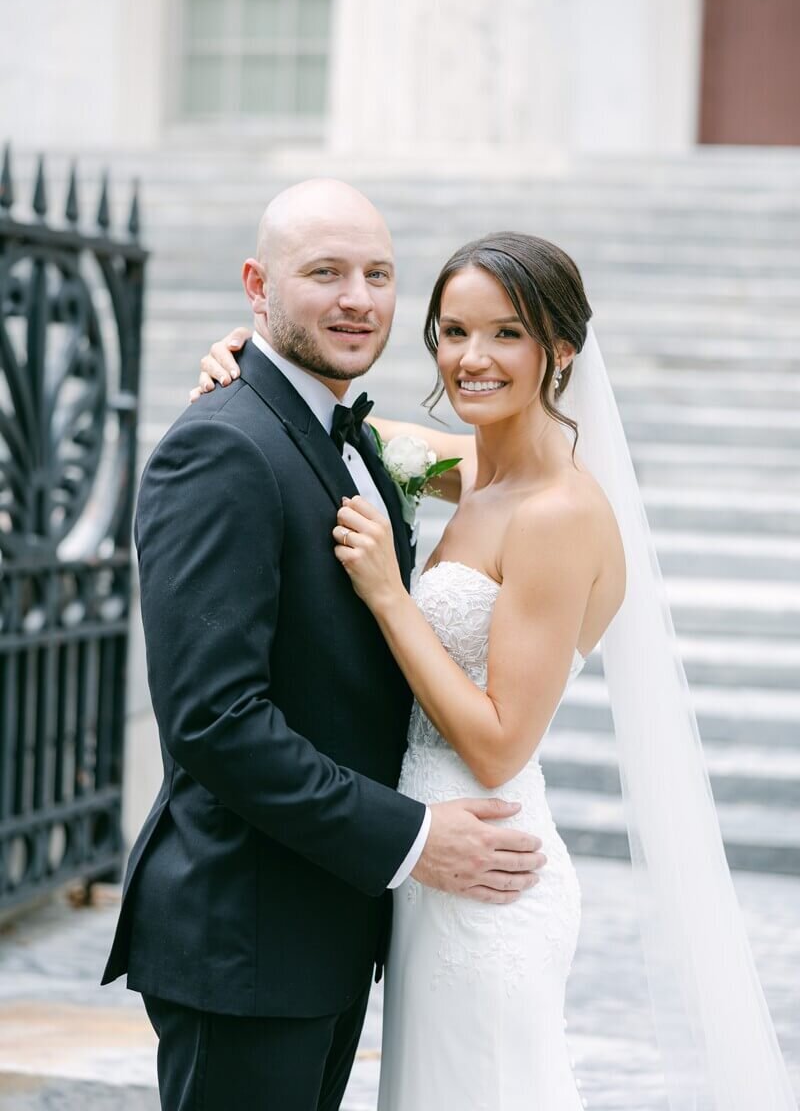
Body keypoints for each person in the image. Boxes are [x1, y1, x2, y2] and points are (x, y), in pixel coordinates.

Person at [196, 230, 797, 1110]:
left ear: (558, 350)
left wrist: (390, 597)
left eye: (505, 333)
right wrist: (236, 359)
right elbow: (323, 425)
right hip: (429, 869)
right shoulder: (469, 469)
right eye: (452, 331)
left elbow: (501, 743)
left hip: (489, 869)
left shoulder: (558, 514)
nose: (472, 360)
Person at [101, 182, 547, 1111]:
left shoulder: (350, 436)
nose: (358, 298)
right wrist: (416, 839)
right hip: (247, 937)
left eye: (378, 274)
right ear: (257, 287)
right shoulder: (222, 447)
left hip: (330, 928)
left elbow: (512, 471)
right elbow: (216, 724)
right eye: (326, 273)